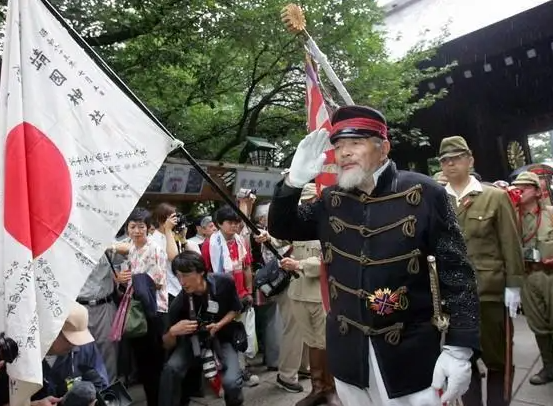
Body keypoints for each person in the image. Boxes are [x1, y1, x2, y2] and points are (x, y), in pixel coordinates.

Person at [268, 105, 480, 406]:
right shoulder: (331, 200)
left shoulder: (426, 192)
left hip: (411, 355)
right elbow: (282, 225)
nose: (344, 153)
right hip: (348, 353)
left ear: (384, 148)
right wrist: (292, 182)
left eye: (356, 143)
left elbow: (457, 274)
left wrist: (460, 349)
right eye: (339, 146)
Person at [439, 136, 524, 406]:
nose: (451, 164)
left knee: (498, 359)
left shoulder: (494, 197)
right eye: (445, 160)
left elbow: (510, 243)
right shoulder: (438, 200)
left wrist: (514, 284)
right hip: (453, 296)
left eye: (457, 158)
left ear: (470, 160)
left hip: (488, 291)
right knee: (463, 361)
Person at [281, 183, 341, 406]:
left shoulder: (330, 225)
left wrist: (299, 263)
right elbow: (279, 237)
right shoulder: (298, 227)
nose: (307, 206)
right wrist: (265, 236)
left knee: (326, 342)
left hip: (321, 293)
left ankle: (332, 389)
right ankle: (318, 388)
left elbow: (329, 258)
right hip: (298, 292)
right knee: (311, 342)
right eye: (304, 202)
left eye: (310, 201)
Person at [159, 251, 244, 406]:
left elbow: (235, 309)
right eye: (178, 276)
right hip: (193, 341)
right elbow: (166, 343)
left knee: (232, 382)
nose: (182, 281)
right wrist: (173, 332)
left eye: (186, 275)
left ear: (201, 271)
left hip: (221, 336)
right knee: (171, 369)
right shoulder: (179, 304)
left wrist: (219, 325)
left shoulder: (224, 282)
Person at [1, 303, 108, 404]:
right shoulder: (17, 355)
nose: (75, 346)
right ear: (52, 331)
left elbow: (105, 390)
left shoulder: (86, 348)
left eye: (79, 340)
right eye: (69, 340)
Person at [512, 171, 553, 385]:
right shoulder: (510, 217)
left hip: (550, 275)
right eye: (516, 186)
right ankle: (549, 367)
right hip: (527, 277)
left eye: (525, 186)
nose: (519, 190)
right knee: (538, 325)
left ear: (537, 191)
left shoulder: (550, 214)